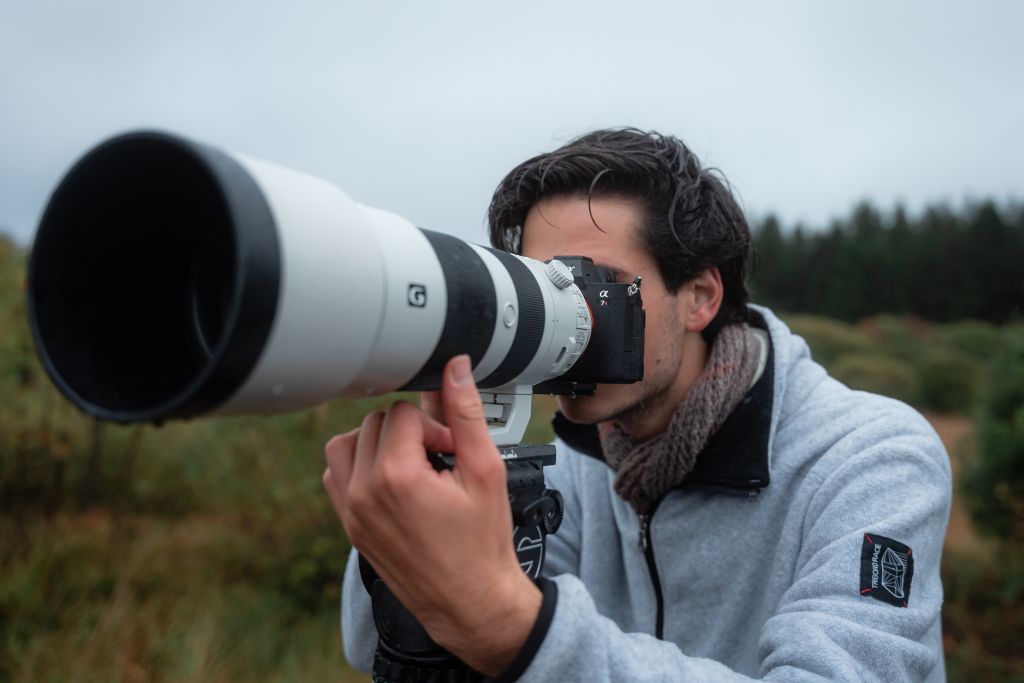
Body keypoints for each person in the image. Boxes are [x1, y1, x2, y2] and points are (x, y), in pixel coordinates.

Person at [322, 129, 952, 681]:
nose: (561, 317)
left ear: (699, 297)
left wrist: (516, 630)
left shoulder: (872, 459)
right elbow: (383, 648)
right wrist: (416, 516)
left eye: (594, 284)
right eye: (541, 287)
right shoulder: (577, 461)